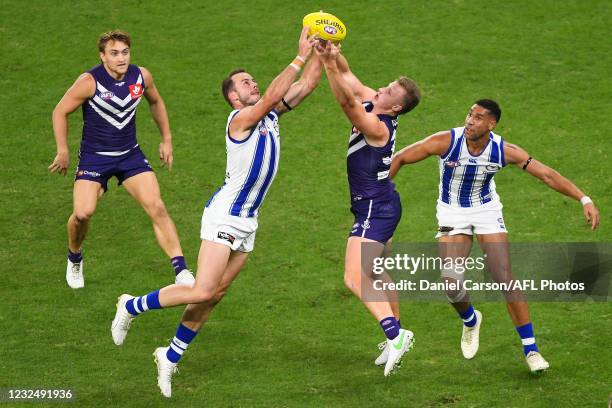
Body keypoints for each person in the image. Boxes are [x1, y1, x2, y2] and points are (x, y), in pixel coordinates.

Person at [111, 27, 322, 398]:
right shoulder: (239, 121)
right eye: (245, 83)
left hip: (248, 220)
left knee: (215, 293)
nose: (253, 84)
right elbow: (276, 92)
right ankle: (131, 305)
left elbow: (304, 87)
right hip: (225, 216)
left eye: (253, 80)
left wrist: (324, 50)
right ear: (232, 97)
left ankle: (170, 356)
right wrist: (300, 54)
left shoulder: (269, 116)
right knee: (202, 288)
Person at [390, 99, 600, 372]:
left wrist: (584, 198)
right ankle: (470, 320)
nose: (469, 121)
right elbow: (401, 158)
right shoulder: (446, 141)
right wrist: (380, 198)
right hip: (452, 212)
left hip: (486, 210)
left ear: (492, 124)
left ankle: (531, 349)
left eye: (478, 118)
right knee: (451, 283)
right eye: (469, 114)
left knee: (503, 277)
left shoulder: (503, 151)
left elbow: (546, 175)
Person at [49, 30, 194, 289]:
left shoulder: (141, 76)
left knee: (157, 207)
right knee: (83, 213)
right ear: (102, 56)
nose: (121, 58)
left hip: (130, 155)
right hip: (95, 159)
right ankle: (74, 257)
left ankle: (181, 270)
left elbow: (156, 101)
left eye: (125, 52)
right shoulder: (89, 82)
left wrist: (167, 139)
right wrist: (63, 150)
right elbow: (60, 111)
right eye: (114, 53)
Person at [315, 41, 421, 376]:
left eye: (390, 90)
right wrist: (330, 52)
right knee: (376, 272)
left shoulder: (377, 126)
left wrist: (327, 66)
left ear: (395, 109)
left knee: (354, 276)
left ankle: (396, 335)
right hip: (383, 201)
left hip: (375, 210)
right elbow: (347, 73)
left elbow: (347, 102)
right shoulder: (374, 101)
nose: (382, 88)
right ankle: (396, 334)